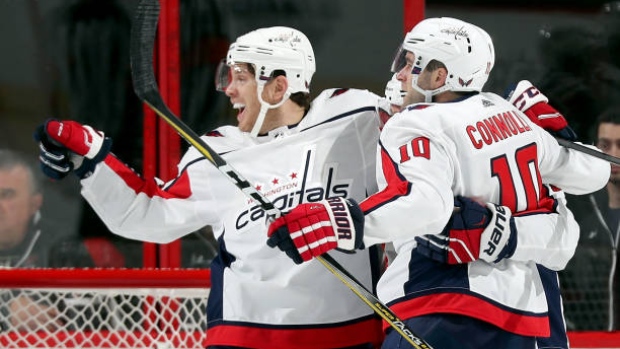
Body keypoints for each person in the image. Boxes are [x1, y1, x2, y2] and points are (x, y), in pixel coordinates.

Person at [34, 26, 392, 349]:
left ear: (278, 86)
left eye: (239, 77)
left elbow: (423, 161)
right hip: (243, 337)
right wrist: (92, 159)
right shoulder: (217, 150)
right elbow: (146, 213)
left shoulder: (355, 119)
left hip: (348, 334)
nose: (228, 89)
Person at [266, 17, 611, 349]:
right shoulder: (508, 116)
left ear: (439, 75)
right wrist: (561, 134)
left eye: (411, 62)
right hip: (520, 317)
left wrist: (334, 221)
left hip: (440, 307)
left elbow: (426, 204)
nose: (399, 73)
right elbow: (590, 173)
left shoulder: (417, 123)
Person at [560, 106, 620, 331]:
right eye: (604, 145)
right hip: (587, 340)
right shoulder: (577, 212)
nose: (613, 153)